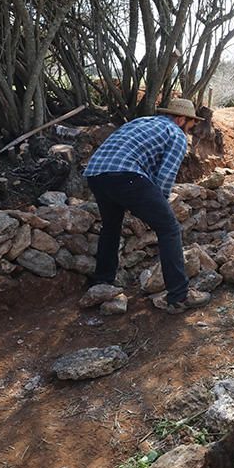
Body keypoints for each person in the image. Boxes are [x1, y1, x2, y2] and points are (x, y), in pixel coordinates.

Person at [84, 98, 202, 314]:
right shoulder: (175, 134)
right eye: (191, 124)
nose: (191, 128)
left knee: (111, 227)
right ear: (181, 119)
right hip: (127, 175)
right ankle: (179, 296)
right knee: (169, 229)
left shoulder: (141, 122)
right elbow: (165, 177)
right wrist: (160, 206)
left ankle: (101, 283)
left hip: (96, 173)